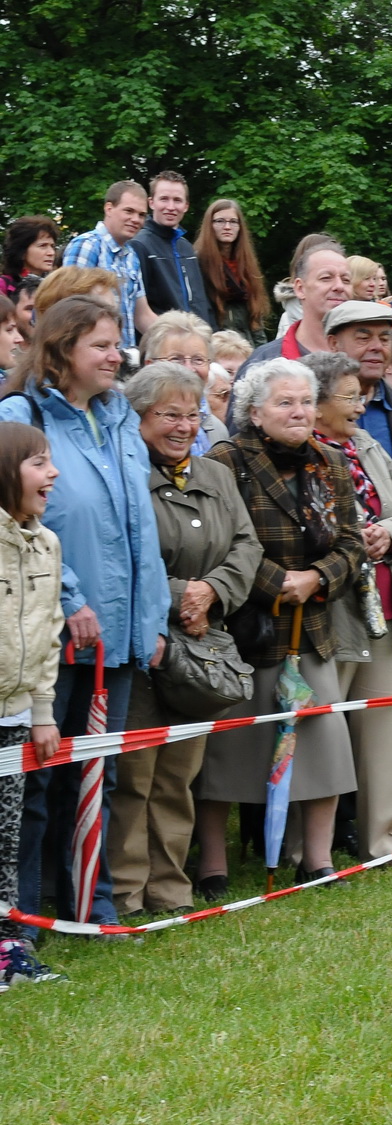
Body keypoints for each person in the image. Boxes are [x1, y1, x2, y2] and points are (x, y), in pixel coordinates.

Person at [0, 297, 170, 930]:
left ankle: (89, 905)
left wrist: (150, 617)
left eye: (118, 342)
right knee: (35, 780)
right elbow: (26, 523)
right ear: (62, 347)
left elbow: (136, 527)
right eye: (100, 344)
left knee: (98, 774)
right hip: (54, 629)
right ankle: (25, 911)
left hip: (121, 633)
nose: (115, 355)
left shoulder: (120, 412)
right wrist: (70, 600)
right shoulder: (19, 415)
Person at [198, 359, 364, 888]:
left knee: (325, 746)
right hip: (246, 630)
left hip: (311, 631)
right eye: (284, 402)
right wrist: (277, 583)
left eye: (306, 401)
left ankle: (316, 860)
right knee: (229, 750)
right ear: (254, 411)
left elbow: (353, 545)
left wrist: (315, 578)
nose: (299, 412)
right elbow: (222, 542)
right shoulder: (226, 459)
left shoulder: (330, 460)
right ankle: (213, 866)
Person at [111, 363, 261, 914]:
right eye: (167, 414)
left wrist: (212, 592)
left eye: (192, 414)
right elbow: (123, 557)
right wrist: (179, 597)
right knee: (134, 776)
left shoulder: (216, 475)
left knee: (179, 775)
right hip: (145, 644)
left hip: (204, 646)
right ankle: (125, 894)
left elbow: (247, 546)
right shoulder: (125, 476)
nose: (182, 426)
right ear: (138, 417)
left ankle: (170, 890)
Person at [304, 351, 392, 863]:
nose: (360, 406)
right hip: (330, 613)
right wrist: (351, 542)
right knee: (321, 733)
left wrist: (389, 533)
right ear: (317, 403)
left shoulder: (369, 445)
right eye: (350, 397)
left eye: (362, 396)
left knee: (384, 734)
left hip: (387, 610)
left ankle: (384, 843)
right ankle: (306, 849)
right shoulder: (298, 451)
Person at [0, 423, 66, 987]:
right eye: (40, 464)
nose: (53, 475)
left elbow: (49, 634)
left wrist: (41, 712)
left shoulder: (46, 543)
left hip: (17, 717)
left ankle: (6, 952)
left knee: (7, 837)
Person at [325, 300, 392, 497]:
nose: (377, 347)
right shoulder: (312, 409)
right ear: (334, 344)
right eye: (364, 338)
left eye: (385, 339)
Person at [62, 181, 156, 348]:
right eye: (129, 211)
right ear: (109, 208)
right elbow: (70, 310)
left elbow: (142, 316)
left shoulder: (131, 256)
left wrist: (178, 337)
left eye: (141, 215)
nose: (135, 219)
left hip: (123, 359)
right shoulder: (87, 245)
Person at [237, 242, 353, 374]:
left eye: (346, 280)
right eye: (326, 278)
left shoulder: (366, 360)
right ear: (300, 288)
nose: (339, 286)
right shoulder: (262, 364)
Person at [128, 171, 215, 327]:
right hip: (161, 343)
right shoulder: (139, 246)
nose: (171, 207)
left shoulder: (187, 248)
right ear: (151, 202)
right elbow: (138, 309)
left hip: (197, 341)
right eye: (164, 199)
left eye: (177, 200)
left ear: (186, 206)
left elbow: (202, 303)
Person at [140, 309, 227, 454]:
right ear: (150, 365)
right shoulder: (134, 427)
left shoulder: (218, 430)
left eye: (198, 359)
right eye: (176, 359)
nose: (188, 369)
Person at [191, 200, 268, 342]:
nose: (227, 227)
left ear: (240, 227)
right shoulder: (197, 262)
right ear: (210, 225)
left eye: (233, 222)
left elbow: (256, 320)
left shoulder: (246, 264)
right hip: (213, 345)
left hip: (246, 346)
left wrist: (261, 354)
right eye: (220, 221)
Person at [2, 217, 59, 300]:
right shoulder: (4, 286)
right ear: (22, 252)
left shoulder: (57, 286)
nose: (51, 253)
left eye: (52, 246)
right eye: (43, 246)